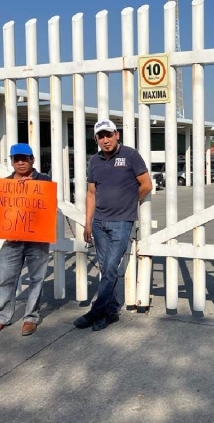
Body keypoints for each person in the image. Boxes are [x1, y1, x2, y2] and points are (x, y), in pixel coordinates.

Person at [74, 119, 152, 331]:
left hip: (121, 222)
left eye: (109, 135)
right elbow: (91, 193)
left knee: (109, 268)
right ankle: (110, 311)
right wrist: (87, 223)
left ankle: (95, 311)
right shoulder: (95, 161)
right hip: (98, 222)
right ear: (96, 139)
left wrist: (129, 201)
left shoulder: (130, 155)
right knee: (105, 268)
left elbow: (146, 184)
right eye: (101, 136)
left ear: (117, 134)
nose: (105, 140)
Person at [0, 143, 53, 337]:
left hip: (37, 240)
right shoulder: (4, 183)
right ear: (12, 161)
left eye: (24, 158)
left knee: (36, 279)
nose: (20, 162)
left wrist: (33, 188)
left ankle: (30, 318)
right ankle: (2, 318)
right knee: (5, 278)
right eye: (16, 159)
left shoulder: (44, 180)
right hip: (12, 239)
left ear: (32, 160)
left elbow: (49, 204)